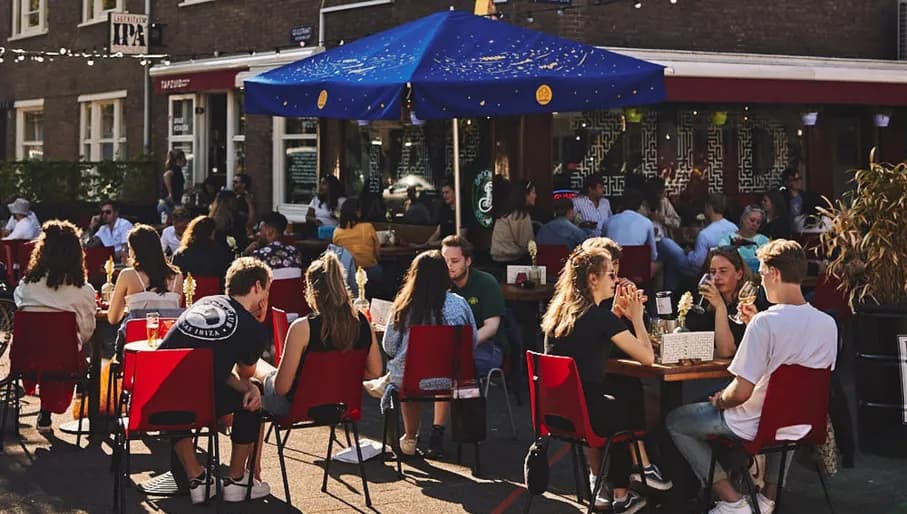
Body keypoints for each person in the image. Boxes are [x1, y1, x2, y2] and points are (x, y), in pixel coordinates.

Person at [667, 240, 837, 514]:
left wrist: (719, 400)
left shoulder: (766, 321)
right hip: (802, 421)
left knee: (675, 421)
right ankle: (768, 498)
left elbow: (740, 393)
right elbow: (801, 382)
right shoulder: (828, 324)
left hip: (754, 421)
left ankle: (732, 500)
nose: (760, 280)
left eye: (762, 273)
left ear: (775, 274)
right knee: (788, 417)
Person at [542, 245, 662, 513]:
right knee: (629, 406)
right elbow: (647, 358)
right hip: (588, 414)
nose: (615, 279)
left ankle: (621, 491)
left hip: (557, 412)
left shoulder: (559, 315)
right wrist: (636, 318)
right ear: (593, 279)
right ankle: (629, 486)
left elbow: (589, 345)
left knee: (620, 399)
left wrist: (616, 317)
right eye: (610, 274)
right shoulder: (599, 319)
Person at [159, 257, 273, 504]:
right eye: (266, 289)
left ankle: (196, 476)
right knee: (252, 398)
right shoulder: (251, 327)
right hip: (201, 399)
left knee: (177, 388)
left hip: (157, 395)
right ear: (256, 287)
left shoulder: (204, 301)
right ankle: (236, 478)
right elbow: (246, 373)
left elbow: (208, 368)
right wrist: (259, 321)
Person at [259, 253, 383, 416]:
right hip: (342, 405)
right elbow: (375, 372)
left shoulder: (302, 328)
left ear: (311, 289)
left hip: (300, 406)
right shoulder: (362, 322)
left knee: (256, 380)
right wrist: (339, 375)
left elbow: (281, 388)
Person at [382, 250, 477, 458]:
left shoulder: (403, 306)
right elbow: (471, 342)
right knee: (442, 370)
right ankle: (437, 432)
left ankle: (409, 437)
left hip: (411, 380)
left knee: (409, 376)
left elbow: (389, 346)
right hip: (451, 378)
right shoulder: (460, 304)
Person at [14, 220, 96, 433]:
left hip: (27, 358)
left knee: (49, 345)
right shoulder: (83, 290)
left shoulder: (26, 287)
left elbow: (19, 307)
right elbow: (87, 331)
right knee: (83, 347)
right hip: (65, 361)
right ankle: (86, 406)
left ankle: (46, 410)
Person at [441, 235, 505, 383]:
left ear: (468, 261)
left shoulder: (486, 283)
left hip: (487, 346)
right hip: (449, 345)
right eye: (445, 261)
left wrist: (462, 345)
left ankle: (459, 405)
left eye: (455, 261)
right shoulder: (440, 283)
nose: (449, 265)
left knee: (448, 367)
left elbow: (491, 327)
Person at [685, 247, 756, 359]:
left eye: (723, 271)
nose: (716, 277)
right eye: (713, 272)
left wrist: (719, 306)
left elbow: (726, 352)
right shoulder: (704, 302)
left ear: (739, 274)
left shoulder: (748, 305)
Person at [107, 224, 183, 327]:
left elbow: (113, 318)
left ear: (134, 251)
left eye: (129, 248)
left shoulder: (127, 275)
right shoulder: (177, 277)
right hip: (167, 339)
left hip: (136, 338)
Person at [606, 188, 658, 276]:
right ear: (639, 205)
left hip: (614, 271)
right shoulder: (647, 222)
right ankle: (657, 289)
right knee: (660, 263)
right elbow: (653, 255)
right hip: (638, 273)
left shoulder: (608, 221)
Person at [332, 198, 382, 286]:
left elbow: (337, 255)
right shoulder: (368, 227)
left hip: (346, 274)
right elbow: (377, 253)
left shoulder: (337, 231)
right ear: (357, 212)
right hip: (369, 271)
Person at [171, 216, 234, 280]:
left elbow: (174, 279)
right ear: (212, 233)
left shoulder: (179, 254)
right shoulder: (220, 253)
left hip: (187, 289)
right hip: (212, 289)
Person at [490, 179, 536, 264]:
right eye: (533, 192)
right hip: (512, 259)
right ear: (525, 195)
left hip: (497, 259)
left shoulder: (506, 212)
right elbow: (526, 244)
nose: (535, 196)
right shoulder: (521, 215)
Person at [718, 205, 770, 272]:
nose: (754, 224)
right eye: (752, 220)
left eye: (758, 222)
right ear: (743, 218)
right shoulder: (727, 240)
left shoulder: (764, 241)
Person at [779, 166, 821, 231]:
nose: (798, 181)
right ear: (787, 182)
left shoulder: (808, 197)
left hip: (803, 229)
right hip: (786, 230)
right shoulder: (782, 197)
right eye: (794, 180)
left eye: (799, 178)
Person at [641, 176, 681, 241]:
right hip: (646, 241)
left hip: (664, 240)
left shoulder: (665, 202)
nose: (665, 192)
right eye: (663, 190)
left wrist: (663, 219)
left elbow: (677, 223)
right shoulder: (641, 205)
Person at [158, 149, 186, 220]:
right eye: (183, 158)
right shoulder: (175, 168)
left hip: (166, 202)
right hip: (170, 204)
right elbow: (166, 175)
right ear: (178, 159)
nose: (185, 160)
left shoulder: (176, 169)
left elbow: (176, 186)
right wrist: (170, 193)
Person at [426, 179, 456, 245]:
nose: (444, 196)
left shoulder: (462, 211)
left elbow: (460, 238)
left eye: (447, 192)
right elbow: (438, 232)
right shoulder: (444, 210)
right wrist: (424, 245)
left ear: (455, 192)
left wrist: (435, 243)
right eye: (443, 193)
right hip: (442, 246)